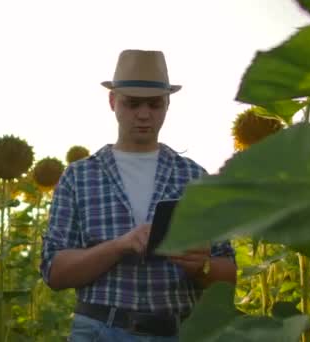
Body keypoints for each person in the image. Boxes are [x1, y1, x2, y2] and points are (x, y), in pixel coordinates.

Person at [40, 49, 237, 341]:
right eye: (132, 103)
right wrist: (119, 246)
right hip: (99, 330)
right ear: (112, 102)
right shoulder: (79, 176)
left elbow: (229, 272)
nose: (144, 114)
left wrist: (201, 266)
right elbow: (54, 272)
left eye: (154, 104)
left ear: (168, 104)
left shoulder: (195, 178)